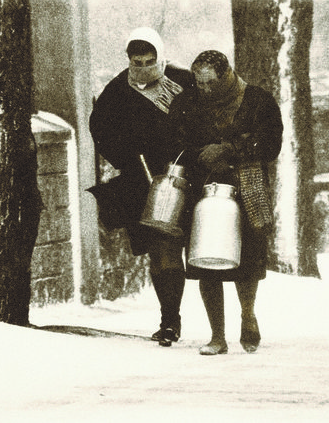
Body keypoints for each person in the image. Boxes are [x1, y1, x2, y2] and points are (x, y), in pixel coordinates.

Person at [169, 50, 283, 355]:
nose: (204, 89)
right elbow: (173, 141)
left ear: (227, 75)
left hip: (246, 184)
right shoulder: (186, 103)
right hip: (202, 186)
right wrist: (200, 155)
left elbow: (271, 142)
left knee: (246, 258)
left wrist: (231, 149)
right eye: (199, 82)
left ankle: (248, 315)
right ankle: (217, 335)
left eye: (210, 83)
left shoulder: (257, 100)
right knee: (205, 259)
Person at [88, 27, 195, 347]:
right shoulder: (118, 90)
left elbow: (206, 119)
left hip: (189, 174)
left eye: (151, 61)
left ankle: (219, 325)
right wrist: (125, 153)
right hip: (145, 179)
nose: (144, 68)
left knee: (198, 251)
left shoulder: (183, 82)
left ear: (161, 57)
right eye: (137, 62)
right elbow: (100, 128)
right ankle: (169, 320)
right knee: (163, 250)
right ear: (128, 60)